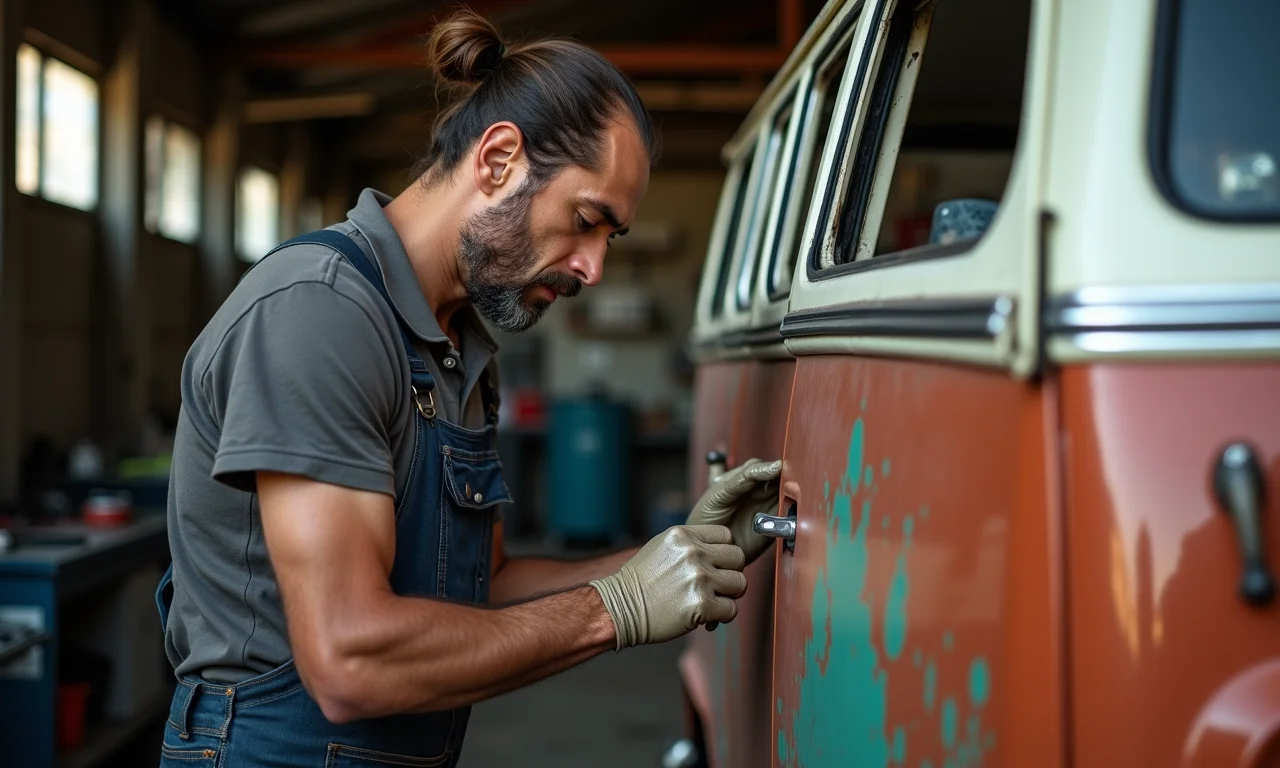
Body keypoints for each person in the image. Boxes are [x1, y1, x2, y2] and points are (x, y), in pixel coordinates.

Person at [155, 9, 781, 767]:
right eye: (586, 220)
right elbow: (349, 659)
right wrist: (615, 610)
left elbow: (485, 584)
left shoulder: (459, 345)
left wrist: (677, 557)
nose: (592, 268)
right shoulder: (320, 313)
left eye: (608, 238)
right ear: (498, 160)